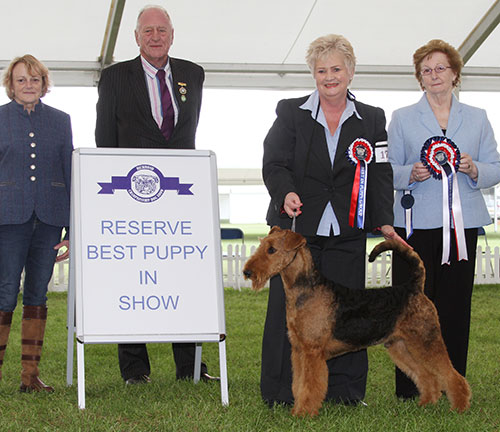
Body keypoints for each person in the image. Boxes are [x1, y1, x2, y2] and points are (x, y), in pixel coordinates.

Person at [261, 34, 406, 407]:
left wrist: (385, 220)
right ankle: (279, 391)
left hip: (347, 229)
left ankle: (345, 393)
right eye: (322, 69)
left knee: (348, 315)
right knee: (288, 311)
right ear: (313, 73)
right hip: (298, 232)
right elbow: (274, 163)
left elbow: (381, 171)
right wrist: (285, 193)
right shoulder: (290, 112)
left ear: (351, 72)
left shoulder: (372, 118)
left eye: (336, 69)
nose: (329, 76)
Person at [95, 5, 216, 384]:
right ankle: (135, 370)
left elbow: (187, 133)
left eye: (161, 29)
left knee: (185, 277)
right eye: (147, 30)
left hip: (181, 198)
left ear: (172, 34)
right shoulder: (114, 77)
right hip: (132, 196)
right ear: (136, 36)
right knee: (134, 277)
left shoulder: (192, 74)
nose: (155, 36)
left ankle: (191, 368)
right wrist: (113, 192)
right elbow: (104, 138)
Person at [388, 39, 500, 400]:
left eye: (440, 68)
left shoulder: (479, 117)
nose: (434, 75)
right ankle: (410, 387)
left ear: (455, 73)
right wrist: (411, 173)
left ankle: (454, 382)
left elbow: (495, 168)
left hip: (462, 226)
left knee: (454, 306)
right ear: (420, 79)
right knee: (410, 309)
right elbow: (385, 170)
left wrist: (474, 168)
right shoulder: (402, 118)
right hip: (413, 225)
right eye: (426, 70)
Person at [0, 55, 72, 392]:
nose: (28, 85)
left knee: (37, 294)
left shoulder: (61, 120)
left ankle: (30, 378)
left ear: (44, 83)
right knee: (4, 293)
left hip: (49, 219)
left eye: (34, 79)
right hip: (7, 219)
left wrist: (72, 229)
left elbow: (70, 173)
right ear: (10, 86)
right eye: (21, 80)